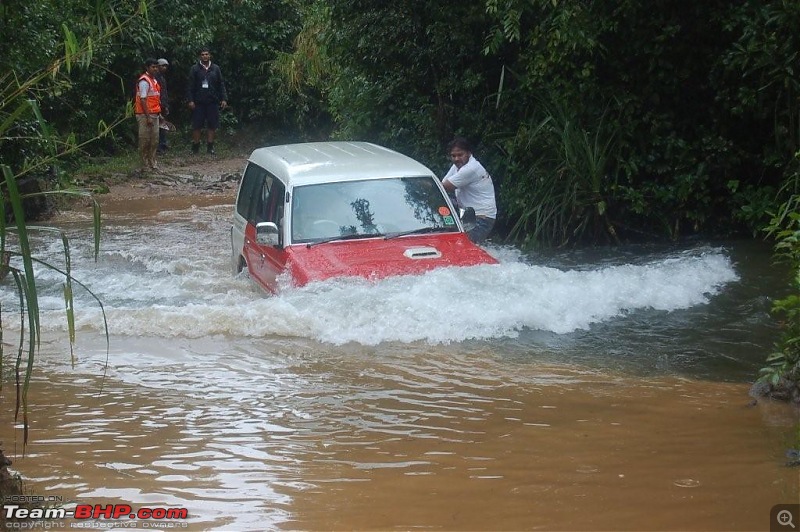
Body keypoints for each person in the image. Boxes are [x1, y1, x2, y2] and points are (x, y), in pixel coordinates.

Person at [441, 137, 497, 243]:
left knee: (465, 249)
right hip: (468, 215)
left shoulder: (471, 168)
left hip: (481, 218)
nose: (456, 158)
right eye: (453, 156)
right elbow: (443, 184)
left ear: (469, 153)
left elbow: (444, 187)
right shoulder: (457, 165)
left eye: (460, 155)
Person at [187, 47, 228, 155]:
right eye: (203, 54)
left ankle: (210, 147)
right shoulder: (195, 69)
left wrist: (224, 98)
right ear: (200, 56)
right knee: (197, 125)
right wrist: (190, 100)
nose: (205, 56)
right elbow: (190, 86)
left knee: (212, 125)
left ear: (210, 56)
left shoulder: (215, 68)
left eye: (206, 54)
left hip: (212, 102)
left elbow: (221, 84)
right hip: (198, 102)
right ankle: (195, 147)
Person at [134, 58, 162, 171]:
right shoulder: (144, 81)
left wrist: (158, 113)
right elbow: (143, 100)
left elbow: (154, 99)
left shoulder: (154, 80)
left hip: (154, 114)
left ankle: (152, 162)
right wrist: (148, 116)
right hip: (145, 115)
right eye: (153, 67)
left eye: (156, 67)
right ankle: (144, 164)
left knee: (154, 140)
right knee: (144, 140)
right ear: (147, 67)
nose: (155, 69)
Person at [155, 58, 170, 154]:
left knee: (163, 125)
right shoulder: (155, 78)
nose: (164, 68)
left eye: (166, 66)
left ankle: (163, 144)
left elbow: (164, 93)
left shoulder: (162, 78)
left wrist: (166, 106)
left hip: (163, 105)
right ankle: (159, 147)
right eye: (163, 66)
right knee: (158, 126)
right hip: (157, 105)